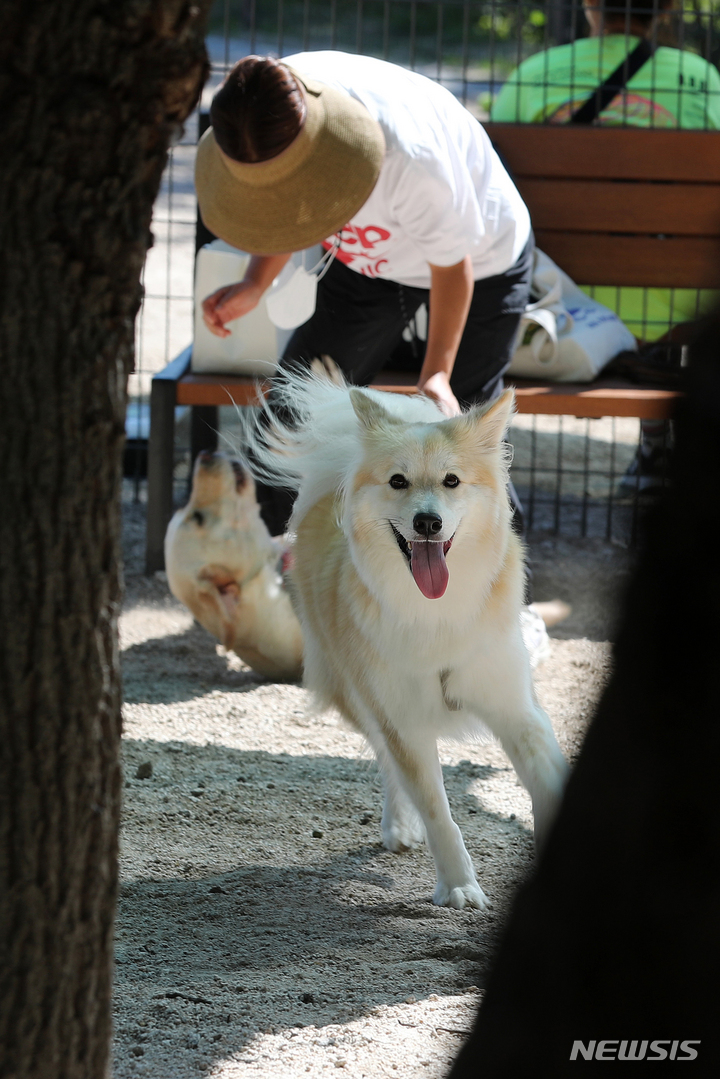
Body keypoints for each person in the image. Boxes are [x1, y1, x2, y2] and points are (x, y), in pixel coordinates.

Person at [491, 0, 720, 493]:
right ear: (669, 9)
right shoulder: (703, 79)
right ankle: (658, 441)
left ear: (589, 4)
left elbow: (494, 192)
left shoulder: (535, 75)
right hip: (669, 303)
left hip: (554, 301)